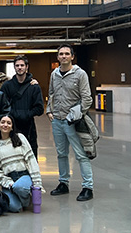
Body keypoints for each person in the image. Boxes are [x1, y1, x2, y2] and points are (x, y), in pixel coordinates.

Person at [47, 44, 94, 201]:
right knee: (61, 154)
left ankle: (88, 187)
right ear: (58, 57)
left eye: (67, 54)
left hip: (73, 122)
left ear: (72, 56)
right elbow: (51, 93)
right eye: (61, 54)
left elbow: (87, 99)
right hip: (57, 121)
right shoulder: (54, 74)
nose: (64, 56)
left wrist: (75, 115)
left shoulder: (80, 74)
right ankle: (63, 183)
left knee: (81, 155)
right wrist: (49, 111)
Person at [0, 114, 42, 213]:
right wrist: (8, 183)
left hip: (23, 176)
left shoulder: (20, 138)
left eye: (8, 123)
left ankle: (27, 199)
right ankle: (21, 198)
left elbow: (31, 160)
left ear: (12, 127)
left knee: (19, 187)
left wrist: (37, 182)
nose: (5, 125)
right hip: (8, 181)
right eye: (3, 122)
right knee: (15, 208)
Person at [1, 55, 44, 156]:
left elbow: (39, 108)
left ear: (26, 67)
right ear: (14, 67)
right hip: (11, 125)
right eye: (17, 65)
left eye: (22, 65)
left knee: (30, 153)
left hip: (29, 126)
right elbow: (3, 105)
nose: (19, 67)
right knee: (11, 153)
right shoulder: (7, 86)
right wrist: (14, 114)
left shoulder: (34, 87)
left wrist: (26, 114)